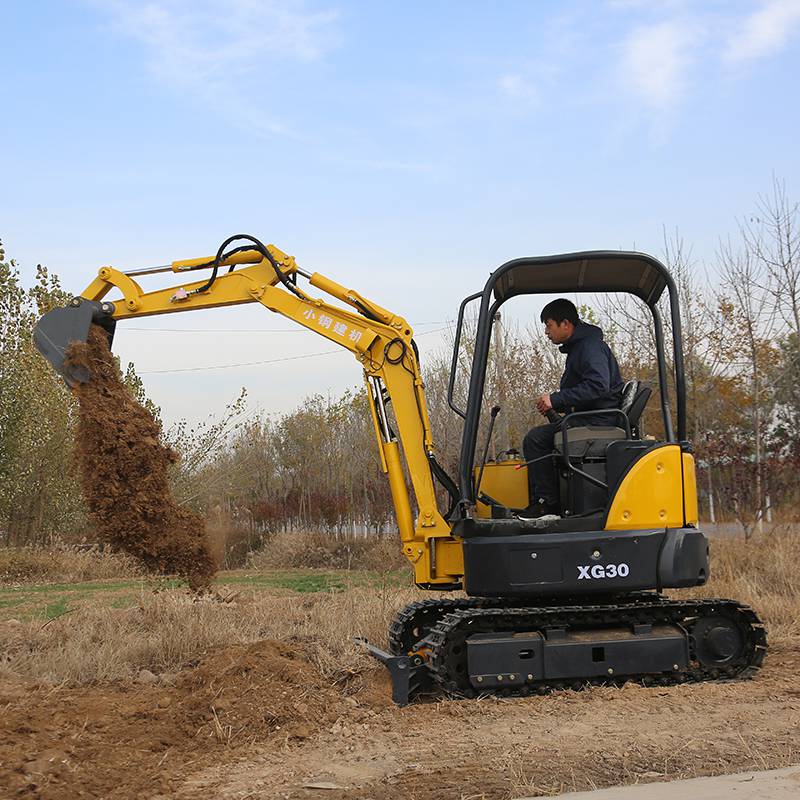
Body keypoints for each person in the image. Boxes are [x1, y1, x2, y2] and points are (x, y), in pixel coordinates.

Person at [521, 299, 624, 518]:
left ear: (565, 324)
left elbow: (598, 386)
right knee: (545, 437)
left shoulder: (590, 347)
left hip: (598, 421)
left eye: (549, 326)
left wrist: (556, 400)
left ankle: (546, 505)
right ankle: (553, 503)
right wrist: (553, 407)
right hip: (589, 418)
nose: (546, 332)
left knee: (536, 439)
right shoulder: (581, 348)